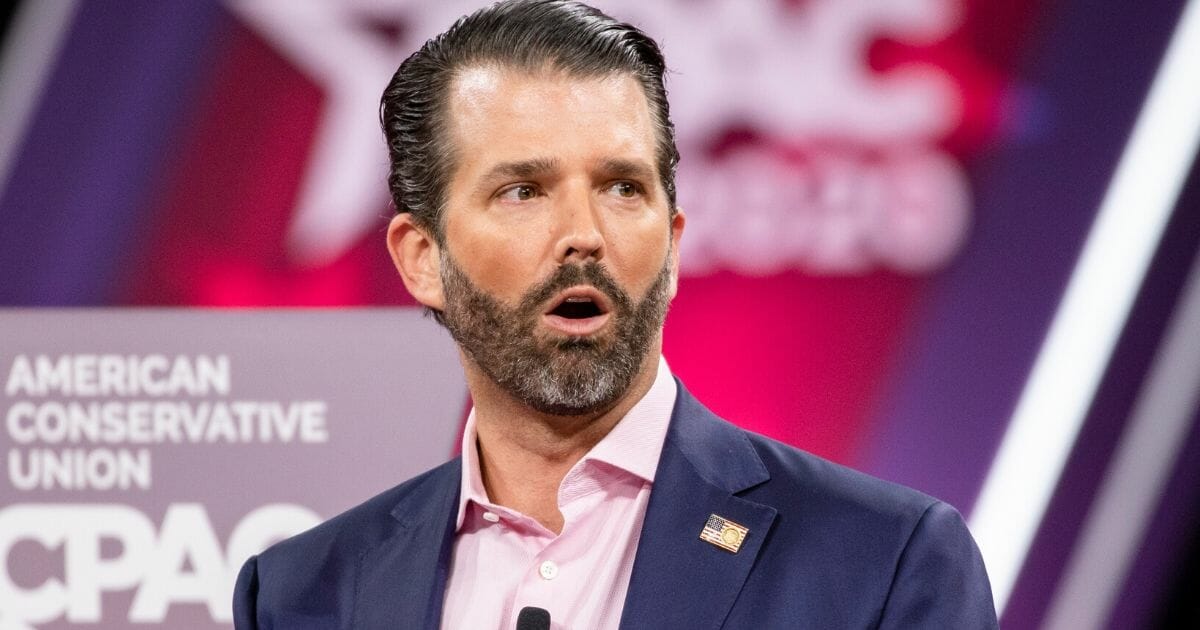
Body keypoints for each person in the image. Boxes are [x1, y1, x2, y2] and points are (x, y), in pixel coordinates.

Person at [232, 1, 999, 628]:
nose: (585, 234)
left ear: (673, 244)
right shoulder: (301, 594)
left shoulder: (883, 563)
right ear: (422, 258)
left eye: (623, 188)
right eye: (523, 191)